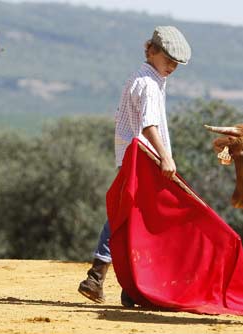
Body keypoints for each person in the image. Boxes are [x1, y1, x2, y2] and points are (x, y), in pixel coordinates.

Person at [78, 25, 192, 306]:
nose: (172, 68)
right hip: (144, 159)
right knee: (133, 216)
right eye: (168, 61)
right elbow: (149, 124)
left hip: (134, 156)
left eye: (176, 64)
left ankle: (123, 284)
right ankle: (107, 278)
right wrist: (165, 156)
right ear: (151, 51)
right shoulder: (148, 84)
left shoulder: (141, 78)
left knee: (130, 216)